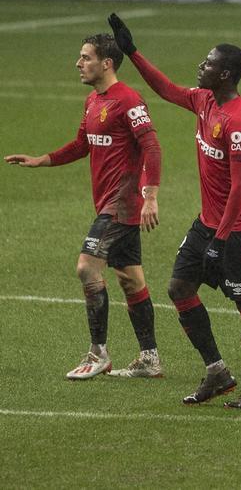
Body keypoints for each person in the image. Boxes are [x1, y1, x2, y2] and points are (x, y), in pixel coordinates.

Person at [108, 13, 241, 409]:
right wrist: (132, 51)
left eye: (209, 62)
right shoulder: (204, 100)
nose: (202, 66)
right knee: (179, 288)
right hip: (210, 222)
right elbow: (165, 89)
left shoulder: (239, 123)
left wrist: (220, 239)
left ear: (227, 74)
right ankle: (217, 370)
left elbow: (239, 188)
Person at [6, 34, 163, 380]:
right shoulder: (94, 100)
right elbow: (82, 144)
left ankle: (98, 353)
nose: (78, 63)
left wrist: (150, 195)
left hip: (122, 205)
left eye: (85, 58)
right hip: (108, 203)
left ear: (106, 63)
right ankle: (150, 359)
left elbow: (152, 146)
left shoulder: (129, 101)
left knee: (86, 268)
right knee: (130, 279)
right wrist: (41, 160)